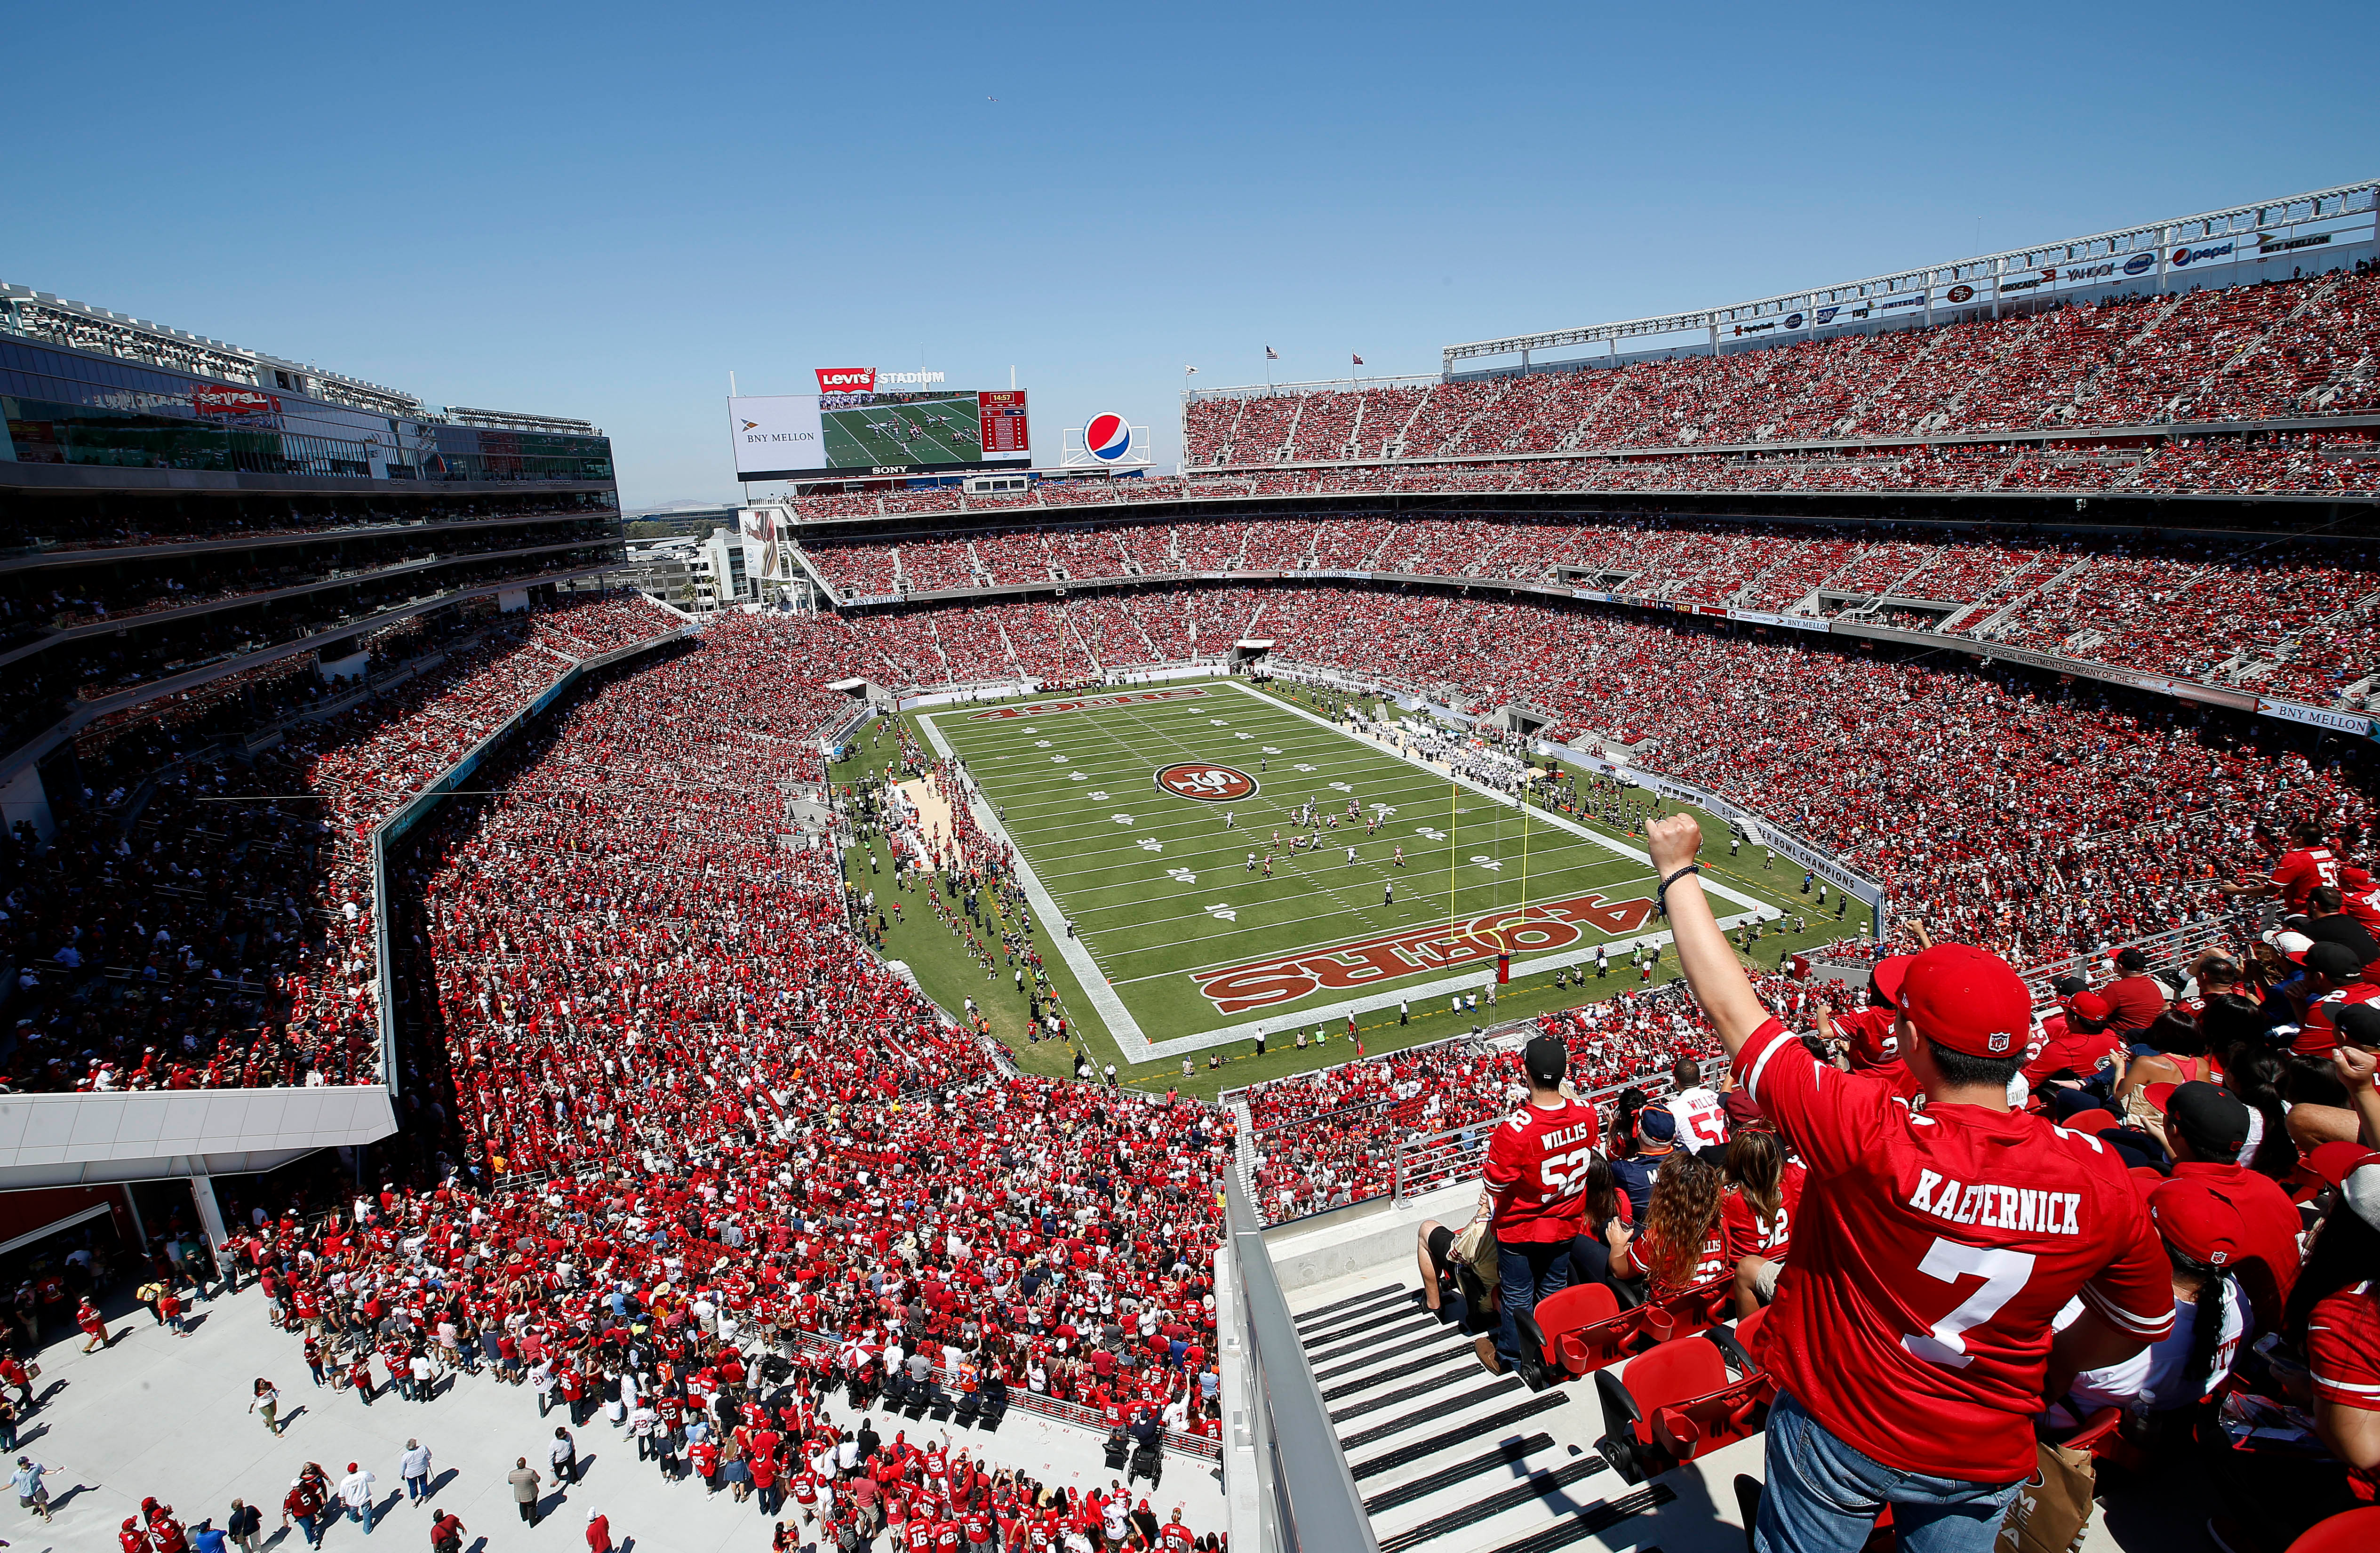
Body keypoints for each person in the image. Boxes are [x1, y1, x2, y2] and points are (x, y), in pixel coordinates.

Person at [1645, 811, 2173, 1553]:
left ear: (1911, 1041)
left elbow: (1733, 1011)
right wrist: (2047, 1377)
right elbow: (2140, 1324)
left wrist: (1676, 871)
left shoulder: (1869, 1130)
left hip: (1844, 1423)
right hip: (1984, 1442)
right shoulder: (2098, 1174)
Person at [1475, 1034, 1598, 1378]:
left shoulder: (1515, 1131)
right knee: (1553, 1289)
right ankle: (1552, 1351)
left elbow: (1494, 1184)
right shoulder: (1587, 1114)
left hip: (1522, 1228)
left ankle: (1513, 1358)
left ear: (1526, 1074)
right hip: (1566, 1221)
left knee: (1518, 1295)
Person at [337, 1462, 376, 1533]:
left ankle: (354, 1519)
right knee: (367, 1513)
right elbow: (373, 1479)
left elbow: (342, 1494)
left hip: (352, 1501)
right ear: (357, 1469)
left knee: (353, 1511)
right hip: (365, 1498)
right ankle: (367, 1530)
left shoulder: (344, 1481)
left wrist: (342, 1501)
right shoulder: (363, 1474)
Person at [10, 1457, 51, 1522]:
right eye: (21, 1464)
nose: (23, 1464)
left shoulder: (36, 1466)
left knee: (42, 1502)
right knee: (25, 1504)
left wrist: (55, 1472)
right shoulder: (17, 1474)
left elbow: (44, 1472)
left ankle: (46, 1515)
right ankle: (36, 1505)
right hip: (26, 1492)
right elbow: (10, 1484)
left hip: (37, 1488)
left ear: (28, 1461)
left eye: (24, 1462)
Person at [509, 1457, 543, 1526]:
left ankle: (524, 1518)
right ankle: (533, 1522)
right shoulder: (531, 1473)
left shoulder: (512, 1474)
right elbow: (538, 1480)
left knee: (522, 1505)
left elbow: (510, 1482)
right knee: (532, 1507)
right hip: (531, 1494)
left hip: (519, 1495)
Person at [400, 1439, 432, 1504]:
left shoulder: (405, 1456)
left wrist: (402, 1475)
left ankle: (414, 1501)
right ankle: (425, 1497)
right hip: (422, 1470)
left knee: (413, 1487)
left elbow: (403, 1467)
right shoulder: (423, 1448)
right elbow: (429, 1456)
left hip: (411, 1474)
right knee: (423, 1483)